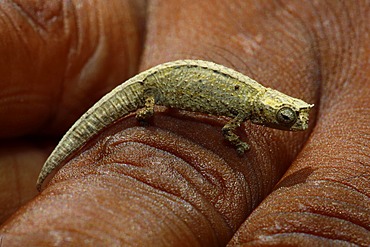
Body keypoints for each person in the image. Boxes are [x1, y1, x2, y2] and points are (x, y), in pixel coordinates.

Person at [0, 1, 369, 246]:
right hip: (152, 90)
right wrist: (237, 144)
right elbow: (228, 132)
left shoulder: (252, 102)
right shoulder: (244, 110)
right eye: (287, 117)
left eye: (291, 114)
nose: (292, 123)